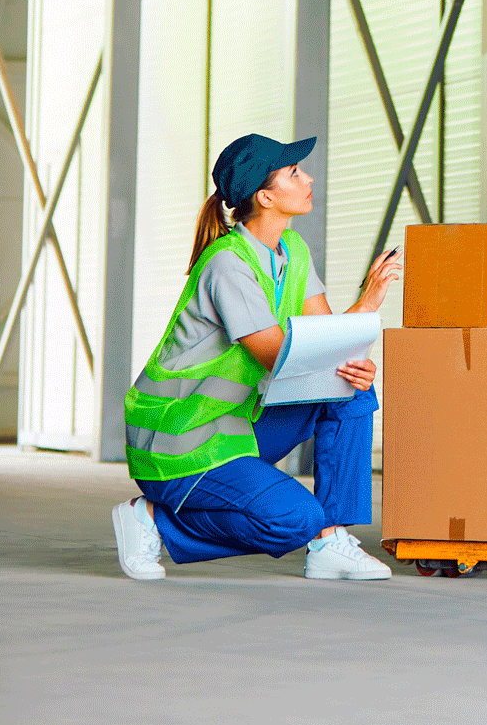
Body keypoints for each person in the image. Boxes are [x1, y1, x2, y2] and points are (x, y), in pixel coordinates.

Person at [111, 132, 400, 584]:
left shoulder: (294, 252)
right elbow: (279, 357)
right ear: (265, 196)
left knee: (353, 390)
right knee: (292, 520)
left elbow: (326, 342)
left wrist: (359, 337)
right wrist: (361, 313)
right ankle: (153, 519)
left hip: (236, 425)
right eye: (294, 173)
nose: (308, 178)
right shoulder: (229, 263)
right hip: (180, 440)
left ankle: (331, 540)